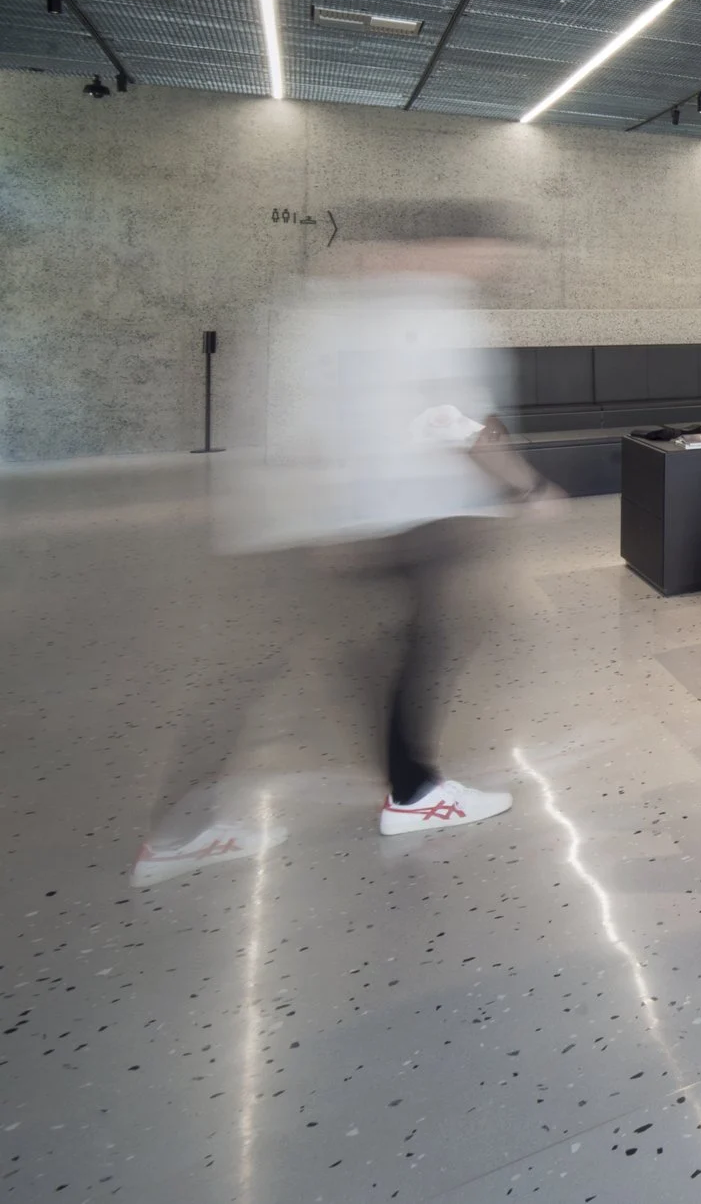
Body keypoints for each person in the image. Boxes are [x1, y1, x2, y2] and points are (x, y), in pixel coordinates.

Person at [141, 201, 546, 883]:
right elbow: (454, 418)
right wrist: (525, 486)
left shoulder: (336, 302)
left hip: (338, 521)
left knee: (400, 646)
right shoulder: (428, 308)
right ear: (453, 243)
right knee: (379, 650)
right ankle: (189, 828)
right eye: (488, 251)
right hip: (363, 522)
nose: (495, 266)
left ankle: (408, 787)